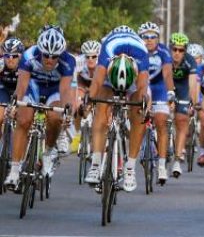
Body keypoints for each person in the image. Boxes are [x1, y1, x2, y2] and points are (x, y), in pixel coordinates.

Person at [4, 27, 76, 189]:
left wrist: (66, 110)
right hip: (34, 86)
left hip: (54, 90)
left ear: (61, 54)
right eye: (46, 55)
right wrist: (15, 104)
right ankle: (14, 171)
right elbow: (21, 86)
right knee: (23, 120)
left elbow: (65, 90)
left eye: (54, 56)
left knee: (55, 118)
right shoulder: (29, 56)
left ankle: (49, 151)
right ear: (40, 51)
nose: (50, 60)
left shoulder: (68, 61)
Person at [83, 26, 149, 192]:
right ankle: (96, 164)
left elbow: (142, 88)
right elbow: (96, 82)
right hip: (109, 77)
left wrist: (143, 104)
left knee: (139, 113)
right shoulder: (108, 48)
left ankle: (130, 168)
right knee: (100, 107)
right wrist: (88, 101)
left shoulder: (141, 52)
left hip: (132, 78)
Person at [139, 22, 175, 185]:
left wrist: (170, 92)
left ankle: (161, 165)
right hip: (142, 86)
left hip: (159, 87)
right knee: (136, 119)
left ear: (158, 39)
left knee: (161, 121)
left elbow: (167, 74)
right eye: (145, 37)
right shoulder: (137, 51)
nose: (149, 40)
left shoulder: (163, 52)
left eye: (153, 36)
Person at [169, 33, 199, 177]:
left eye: (181, 50)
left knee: (182, 120)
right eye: (174, 49)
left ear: (185, 51)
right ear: (170, 49)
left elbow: (192, 84)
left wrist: (192, 102)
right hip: (166, 86)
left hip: (182, 89)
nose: (177, 53)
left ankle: (177, 159)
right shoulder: (165, 59)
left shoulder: (190, 61)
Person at [0, 38, 24, 129]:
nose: (10, 59)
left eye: (14, 56)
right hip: (4, 89)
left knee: (22, 119)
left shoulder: (25, 66)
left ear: (20, 56)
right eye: (7, 55)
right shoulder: (1, 64)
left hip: (21, 90)